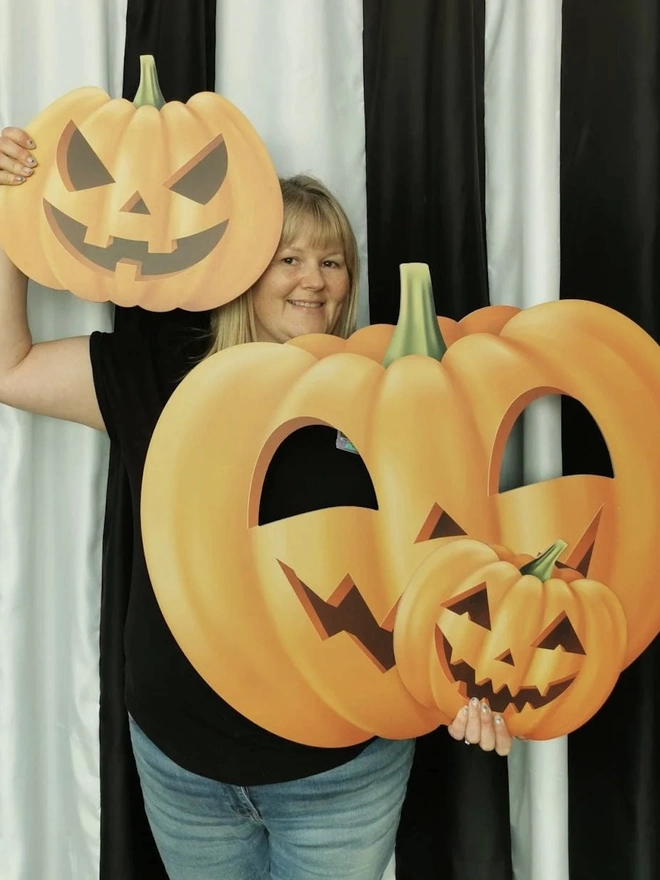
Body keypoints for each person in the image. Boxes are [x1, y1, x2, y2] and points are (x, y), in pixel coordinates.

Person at [0, 126, 512, 880]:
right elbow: (10, 367)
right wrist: (11, 217)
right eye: (290, 258)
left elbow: (451, 551)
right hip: (182, 767)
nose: (315, 280)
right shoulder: (158, 371)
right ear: (243, 266)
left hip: (340, 775)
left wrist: (483, 672)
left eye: (332, 261)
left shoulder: (394, 395)